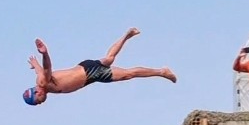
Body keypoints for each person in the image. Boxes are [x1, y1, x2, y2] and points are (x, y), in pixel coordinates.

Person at [23, 28, 177, 106]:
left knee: (128, 74)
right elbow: (41, 71)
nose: (41, 103)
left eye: (38, 101)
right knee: (109, 59)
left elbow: (47, 69)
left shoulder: (42, 83)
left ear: (36, 92)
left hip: (91, 73)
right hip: (86, 71)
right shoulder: (43, 84)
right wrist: (35, 65)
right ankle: (127, 35)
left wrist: (45, 54)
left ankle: (162, 72)